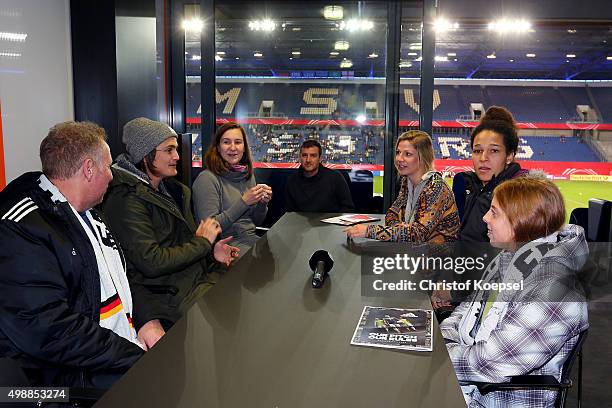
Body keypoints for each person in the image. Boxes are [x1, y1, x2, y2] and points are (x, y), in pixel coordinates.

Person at [0, 121, 144, 388]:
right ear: (89, 169)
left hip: (104, 354)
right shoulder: (21, 228)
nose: (112, 176)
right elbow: (49, 329)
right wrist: (133, 356)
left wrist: (147, 322)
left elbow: (123, 278)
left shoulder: (88, 214)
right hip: (61, 382)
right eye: (108, 166)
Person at [440, 177, 588, 407]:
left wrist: (439, 354)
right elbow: (467, 308)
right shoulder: (512, 259)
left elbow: (490, 363)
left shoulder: (554, 291)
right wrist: (444, 340)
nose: (485, 218)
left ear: (523, 221)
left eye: (494, 212)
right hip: (469, 385)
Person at [102, 117, 239, 350]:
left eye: (176, 149)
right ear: (145, 155)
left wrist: (210, 252)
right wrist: (203, 243)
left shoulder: (174, 191)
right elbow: (152, 261)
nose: (177, 156)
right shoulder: (124, 199)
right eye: (169, 150)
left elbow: (182, 244)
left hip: (195, 280)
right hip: (171, 297)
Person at [344, 130, 459, 244]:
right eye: (398, 152)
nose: (399, 159)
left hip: (440, 257)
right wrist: (401, 229)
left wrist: (369, 231)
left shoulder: (436, 187)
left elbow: (418, 234)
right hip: (414, 252)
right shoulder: (406, 182)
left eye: (407, 154)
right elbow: (391, 214)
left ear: (423, 157)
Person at [192, 122, 272, 255]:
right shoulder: (207, 179)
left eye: (238, 142)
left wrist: (262, 204)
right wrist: (243, 202)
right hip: (224, 248)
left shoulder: (247, 175)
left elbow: (255, 222)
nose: (233, 147)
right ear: (218, 147)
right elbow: (209, 228)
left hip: (251, 240)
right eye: (226, 142)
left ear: (244, 147)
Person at [454, 106, 528, 242]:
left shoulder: (520, 196)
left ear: (509, 156)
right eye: (477, 151)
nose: (483, 158)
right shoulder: (471, 187)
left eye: (494, 151)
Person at [285, 139, 354, 213]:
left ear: (320, 158)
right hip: (300, 223)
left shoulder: (335, 178)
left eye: (313, 156)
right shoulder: (292, 180)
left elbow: (348, 208)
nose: (308, 160)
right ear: (300, 157)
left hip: (330, 223)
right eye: (304, 155)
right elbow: (288, 212)